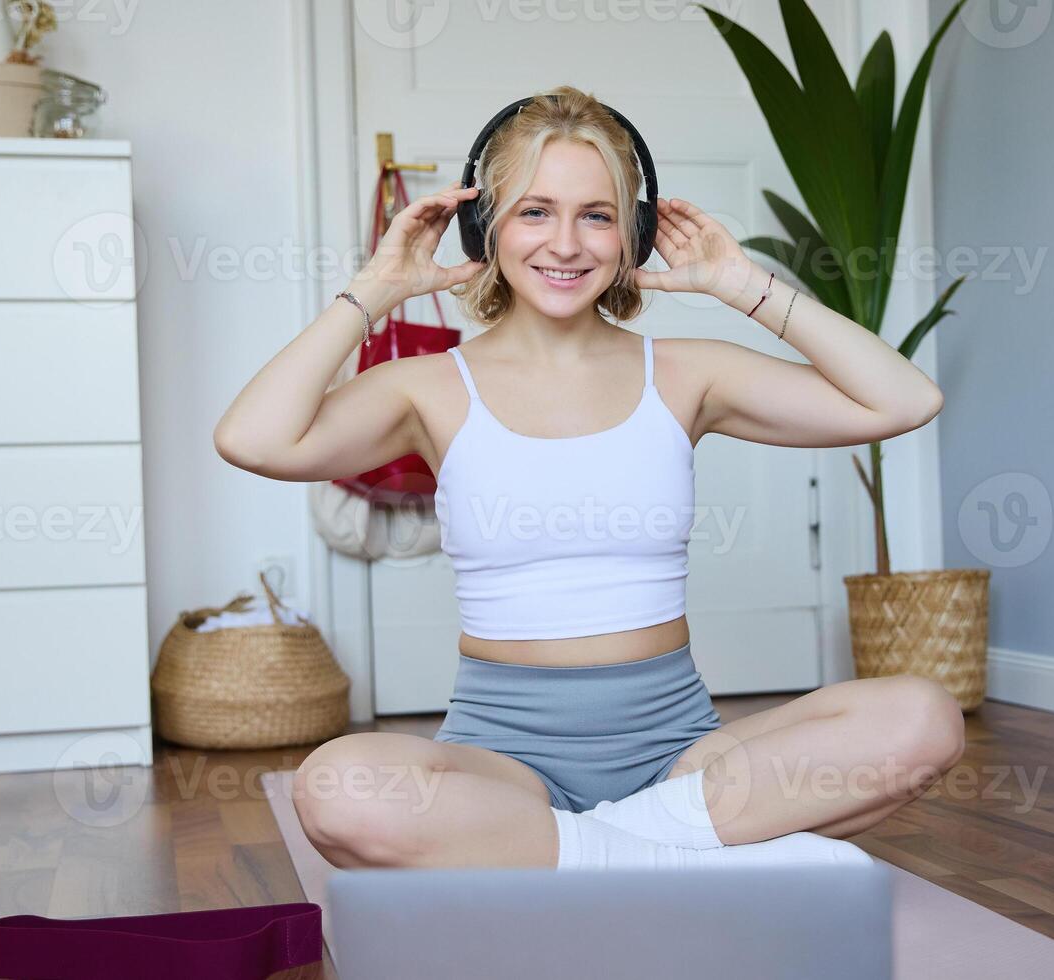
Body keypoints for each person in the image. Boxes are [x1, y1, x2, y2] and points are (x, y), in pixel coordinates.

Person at [213, 86, 963, 872]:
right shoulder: (427, 387)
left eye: (597, 215)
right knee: (335, 788)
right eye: (535, 211)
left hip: (682, 761)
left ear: (633, 233)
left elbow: (906, 399)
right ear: (484, 226)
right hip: (502, 771)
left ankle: (585, 858)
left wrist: (743, 287)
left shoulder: (686, 374)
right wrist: (374, 292)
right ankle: (665, 854)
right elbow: (252, 439)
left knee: (923, 717)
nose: (566, 244)